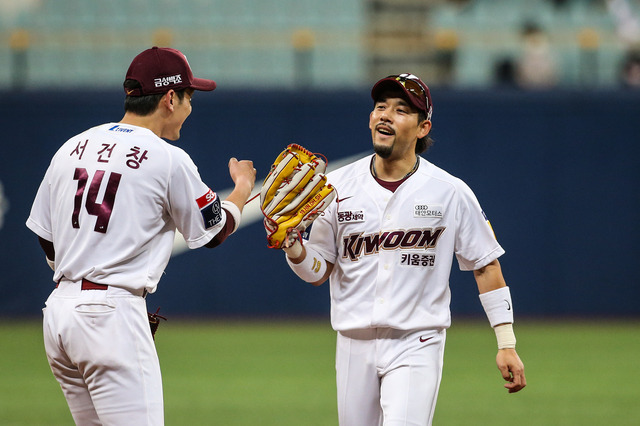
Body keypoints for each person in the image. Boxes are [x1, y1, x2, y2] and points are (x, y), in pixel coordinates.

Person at [26, 46, 256, 425]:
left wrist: (80, 269)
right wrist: (242, 189)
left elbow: (46, 238)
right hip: (111, 317)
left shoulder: (72, 147)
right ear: (169, 98)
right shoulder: (167, 157)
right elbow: (213, 232)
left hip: (59, 316)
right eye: (189, 97)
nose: (190, 108)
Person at [279, 73, 526, 425]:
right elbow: (319, 272)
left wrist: (506, 341)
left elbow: (486, 266)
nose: (385, 115)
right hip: (352, 342)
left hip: (417, 341)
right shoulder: (334, 187)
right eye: (380, 107)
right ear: (369, 119)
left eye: (400, 110)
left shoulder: (450, 191)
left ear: (423, 127)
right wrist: (294, 248)